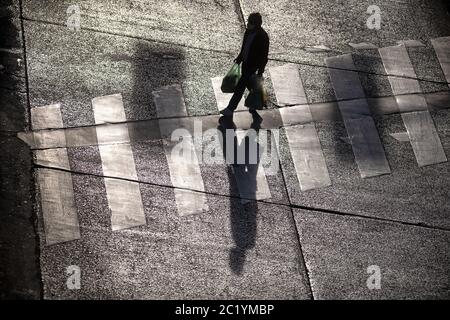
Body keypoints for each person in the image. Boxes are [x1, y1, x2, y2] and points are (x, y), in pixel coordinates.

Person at [220, 12, 269, 117]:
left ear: (256, 24)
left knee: (240, 87)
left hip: (253, 66)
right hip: (245, 64)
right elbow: (245, 47)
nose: (248, 24)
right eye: (248, 21)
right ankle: (257, 102)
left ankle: (230, 109)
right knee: (251, 85)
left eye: (250, 22)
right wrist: (239, 58)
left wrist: (260, 70)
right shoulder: (248, 32)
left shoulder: (262, 37)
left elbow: (264, 56)